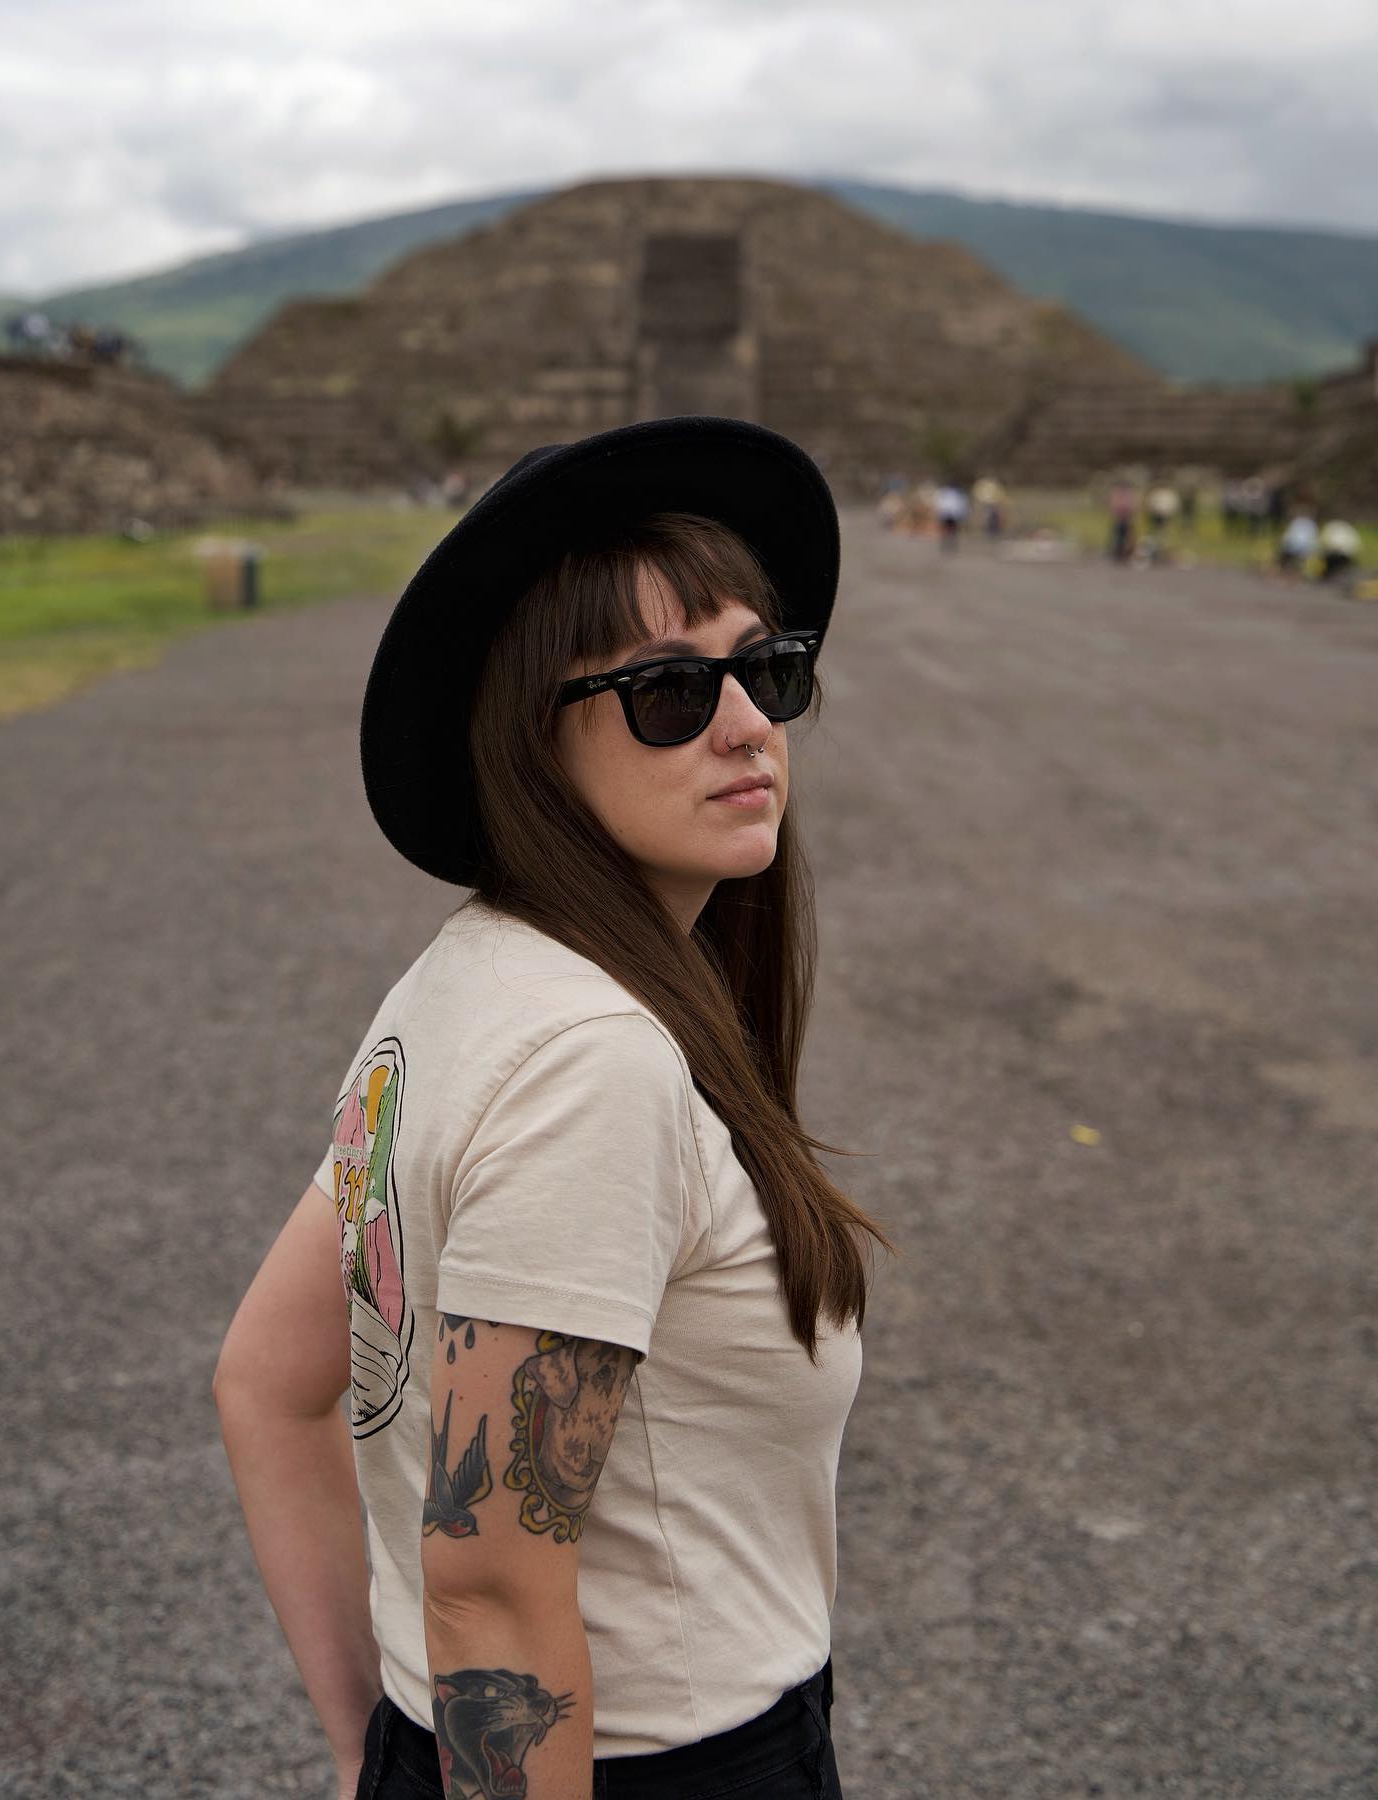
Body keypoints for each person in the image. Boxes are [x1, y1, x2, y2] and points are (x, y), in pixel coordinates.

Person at [213, 416, 896, 1800]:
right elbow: (490, 1595)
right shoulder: (594, 1056)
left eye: (767, 669)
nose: (748, 723)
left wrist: (373, 1747)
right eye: (667, 691)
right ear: (533, 743)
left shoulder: (458, 983)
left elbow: (269, 1383)